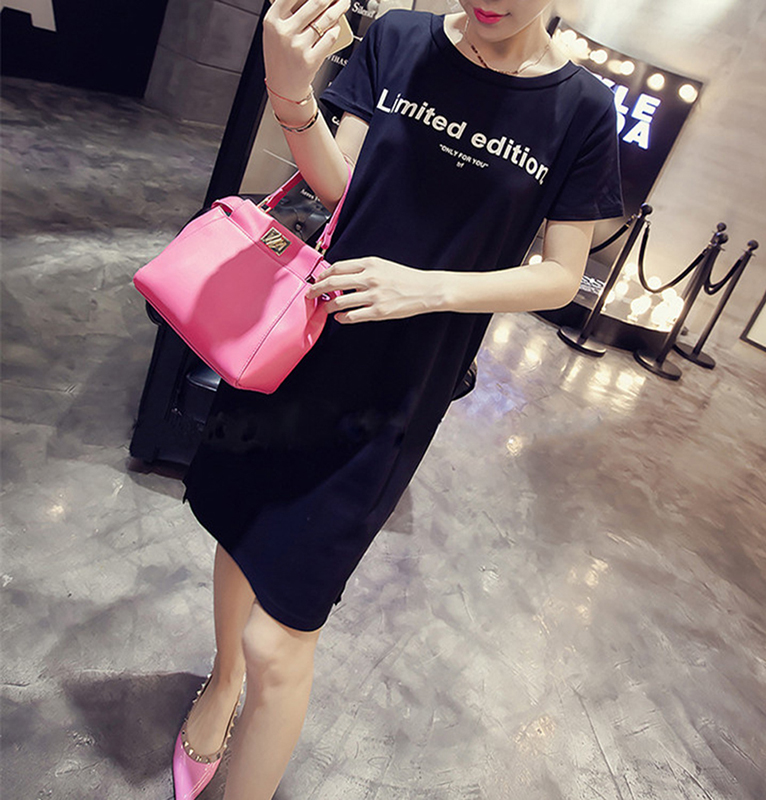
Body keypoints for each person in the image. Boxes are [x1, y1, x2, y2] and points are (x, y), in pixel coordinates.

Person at [171, 1, 623, 798]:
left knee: (283, 636)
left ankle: (245, 693)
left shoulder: (581, 107)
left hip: (398, 392)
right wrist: (289, 91)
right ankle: (222, 680)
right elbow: (343, 185)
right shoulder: (401, 38)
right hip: (301, 339)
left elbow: (560, 276)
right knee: (239, 527)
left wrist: (427, 288)